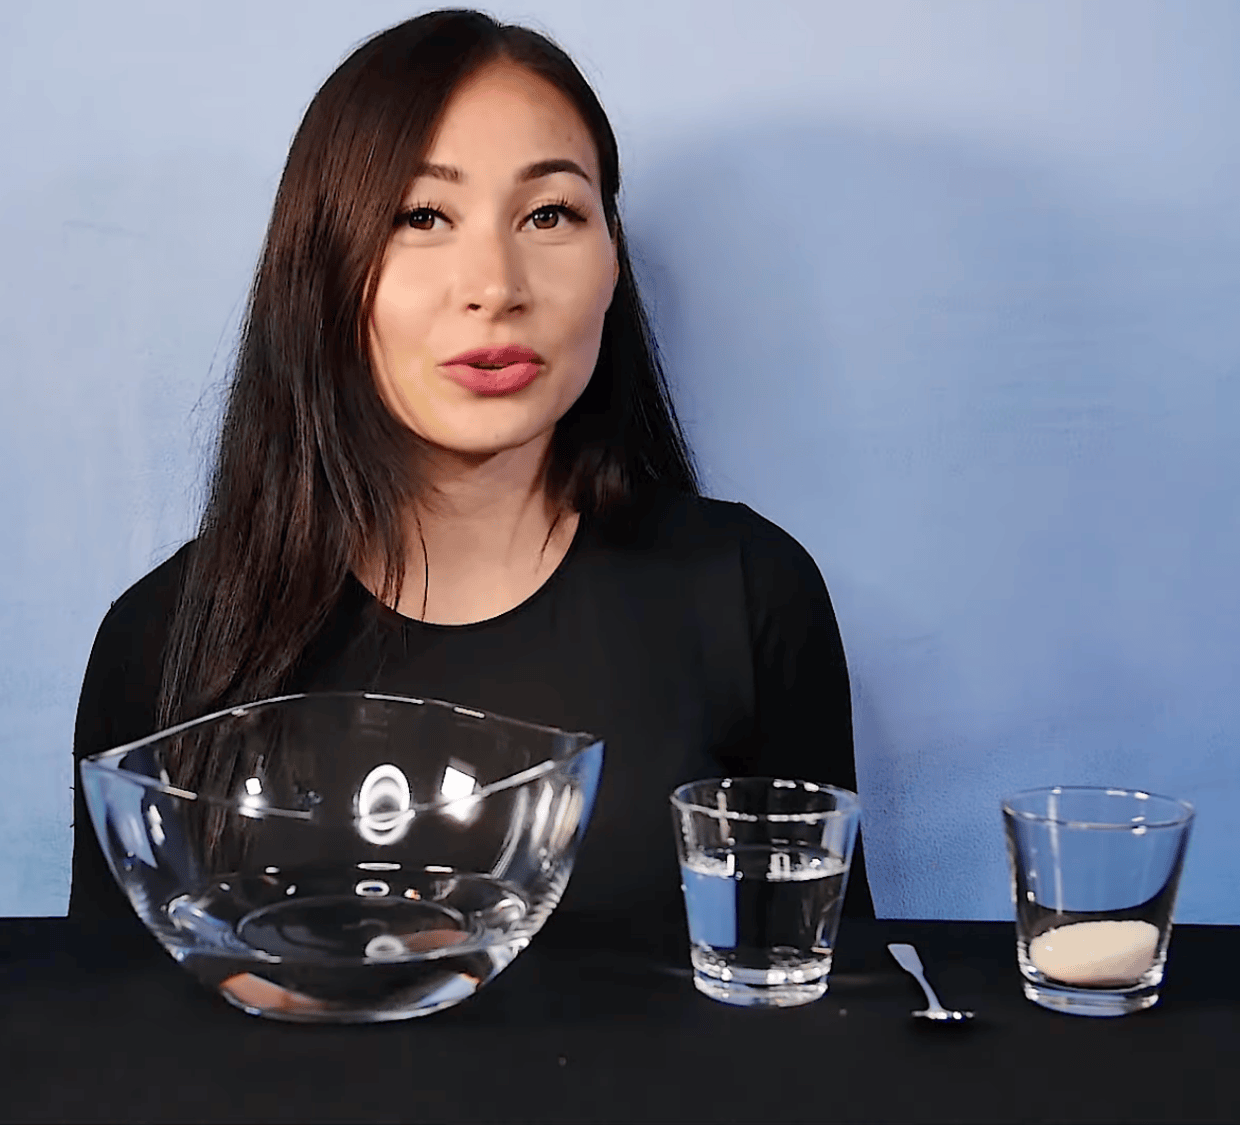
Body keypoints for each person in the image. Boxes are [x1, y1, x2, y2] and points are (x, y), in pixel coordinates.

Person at [71, 8, 870, 960]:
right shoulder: (160, 636)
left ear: (613, 257)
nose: (494, 284)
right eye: (422, 217)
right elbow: (108, 1027)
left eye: (550, 215)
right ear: (323, 268)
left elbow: (829, 998)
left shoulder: (746, 591)